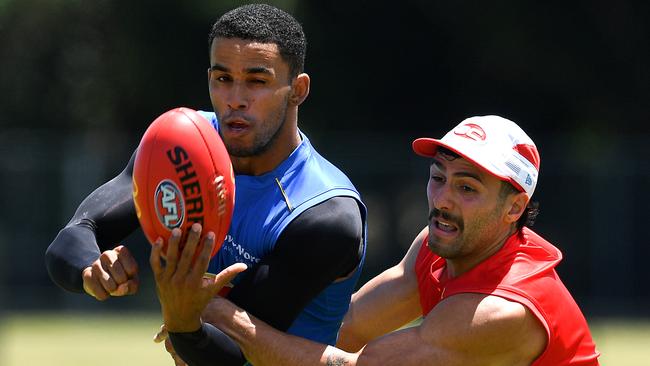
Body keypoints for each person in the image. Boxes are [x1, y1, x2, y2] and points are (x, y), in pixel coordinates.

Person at [45, 4, 367, 366]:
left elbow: (233, 355)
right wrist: (93, 272)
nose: (235, 100)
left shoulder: (325, 214)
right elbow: (72, 239)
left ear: (298, 89)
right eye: (222, 78)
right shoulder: (180, 142)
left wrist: (183, 319)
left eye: (257, 81)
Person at [153, 115, 600, 365]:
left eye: (467, 188)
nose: (442, 200)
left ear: (514, 208)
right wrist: (201, 329)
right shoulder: (436, 247)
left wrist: (214, 311)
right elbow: (342, 328)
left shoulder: (502, 311)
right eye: (438, 178)